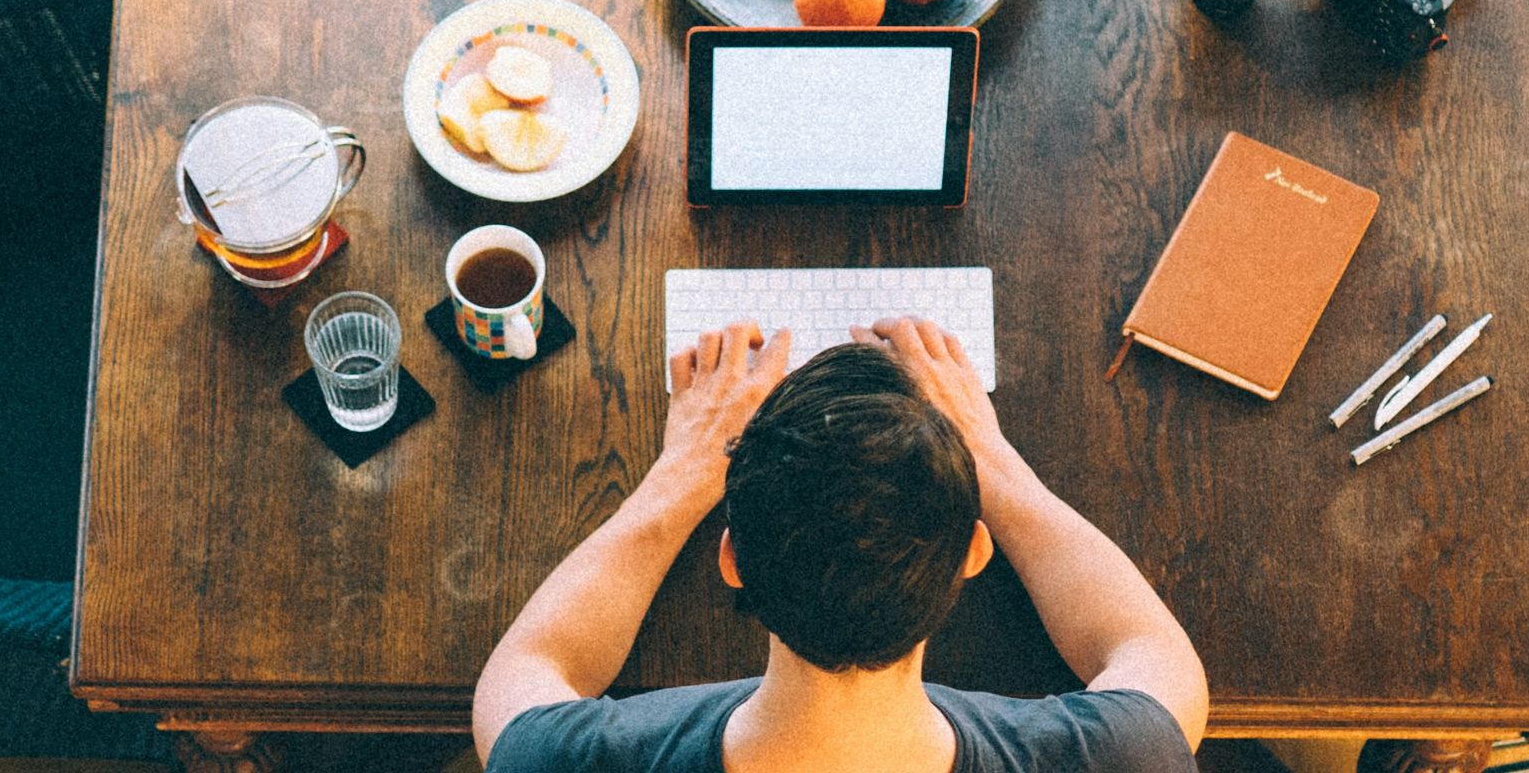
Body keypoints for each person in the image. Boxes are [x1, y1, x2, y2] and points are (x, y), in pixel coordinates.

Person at [473, 317, 1207, 772]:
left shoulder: (552, 760)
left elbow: (529, 669)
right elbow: (1153, 652)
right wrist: (993, 462)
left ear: (731, 560)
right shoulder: (1127, 756)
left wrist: (682, 473)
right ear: (972, 555)